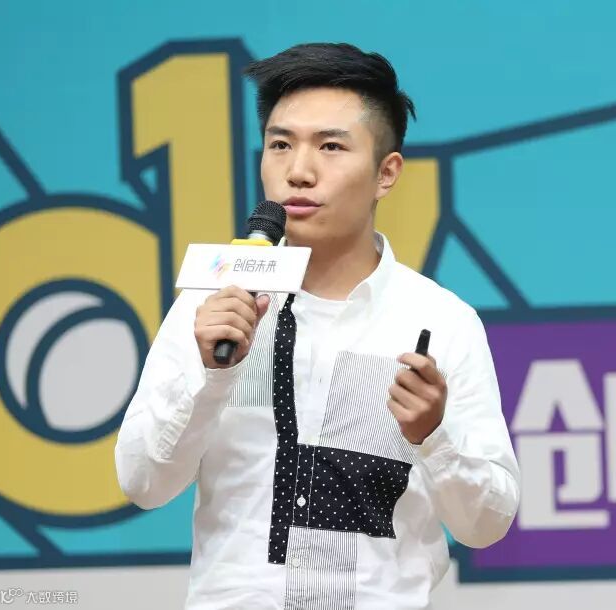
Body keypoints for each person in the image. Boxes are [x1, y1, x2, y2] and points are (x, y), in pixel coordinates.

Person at [115, 42, 520, 609]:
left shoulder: (441, 321)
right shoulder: (213, 303)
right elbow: (142, 483)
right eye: (280, 144)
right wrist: (210, 376)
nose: (299, 172)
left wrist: (434, 435)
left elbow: (487, 524)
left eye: (331, 147)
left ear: (386, 173)